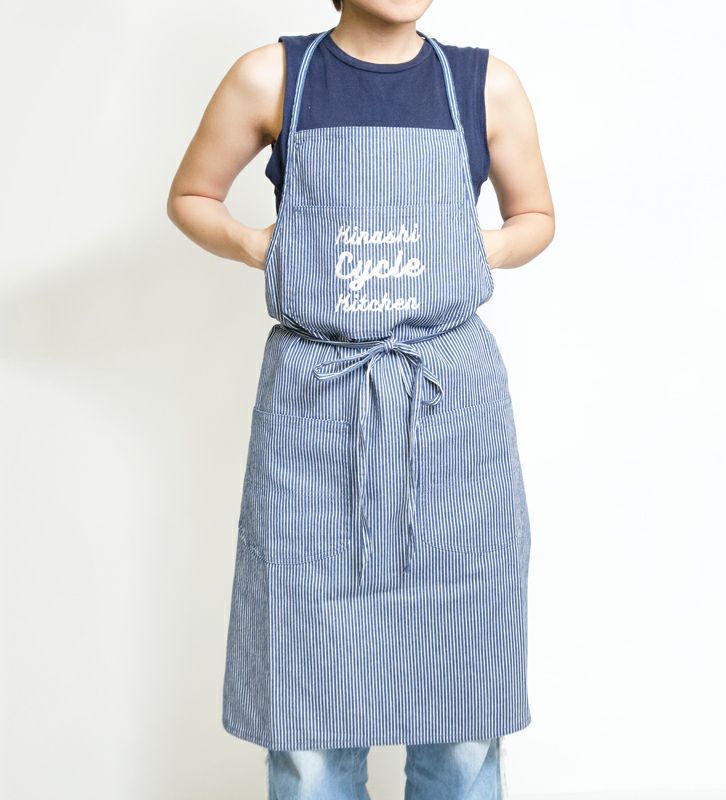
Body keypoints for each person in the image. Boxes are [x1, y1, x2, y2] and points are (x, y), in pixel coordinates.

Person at [167, 0, 554, 796]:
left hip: (450, 420)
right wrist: (257, 244)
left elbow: (536, 218)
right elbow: (192, 196)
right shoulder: (273, 77)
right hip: (315, 420)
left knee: (462, 727)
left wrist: (471, 247)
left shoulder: (485, 85)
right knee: (308, 732)